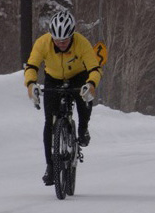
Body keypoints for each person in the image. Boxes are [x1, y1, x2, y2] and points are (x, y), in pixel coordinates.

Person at [24, 10, 102, 186]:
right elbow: (32, 66)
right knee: (49, 123)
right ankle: (50, 167)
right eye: (57, 40)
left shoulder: (82, 43)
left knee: (85, 100)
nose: (60, 44)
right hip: (53, 77)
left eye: (64, 40)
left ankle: (82, 130)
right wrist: (31, 85)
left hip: (78, 76)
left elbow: (95, 68)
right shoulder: (42, 43)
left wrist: (90, 84)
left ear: (72, 35)